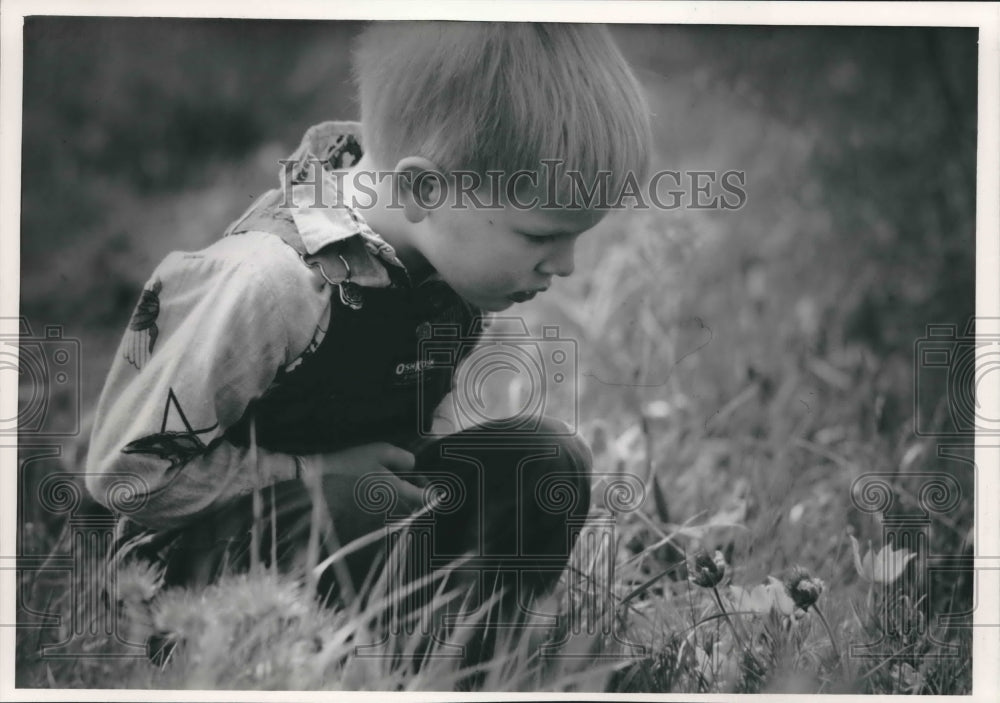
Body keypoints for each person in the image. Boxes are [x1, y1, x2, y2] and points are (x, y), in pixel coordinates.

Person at [85, 21, 652, 668]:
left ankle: (469, 656)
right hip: (194, 576)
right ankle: (354, 657)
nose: (567, 267)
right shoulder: (273, 281)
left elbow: (404, 422)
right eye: (538, 237)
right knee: (361, 502)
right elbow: (127, 477)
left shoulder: (453, 262)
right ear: (423, 190)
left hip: (352, 525)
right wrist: (314, 475)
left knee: (546, 460)